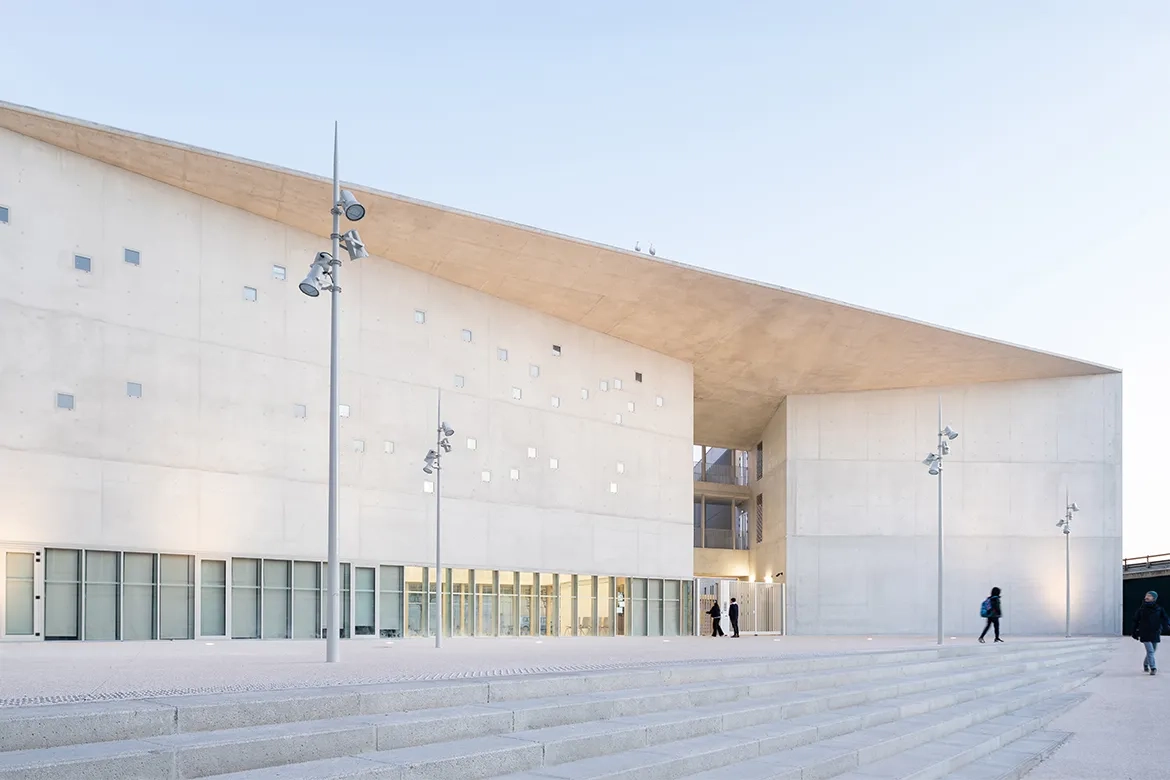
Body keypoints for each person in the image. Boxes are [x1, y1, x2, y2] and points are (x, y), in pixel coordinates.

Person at [1132, 591, 1170, 675]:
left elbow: (1165, 618)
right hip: (1144, 632)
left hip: (1155, 631)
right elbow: (1135, 621)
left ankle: (1146, 664)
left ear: (1154, 598)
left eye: (1149, 596)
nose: (1146, 597)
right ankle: (1153, 668)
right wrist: (1134, 632)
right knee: (1150, 651)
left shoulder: (1159, 609)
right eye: (1146, 595)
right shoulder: (1141, 609)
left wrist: (1167, 624)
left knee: (1153, 650)